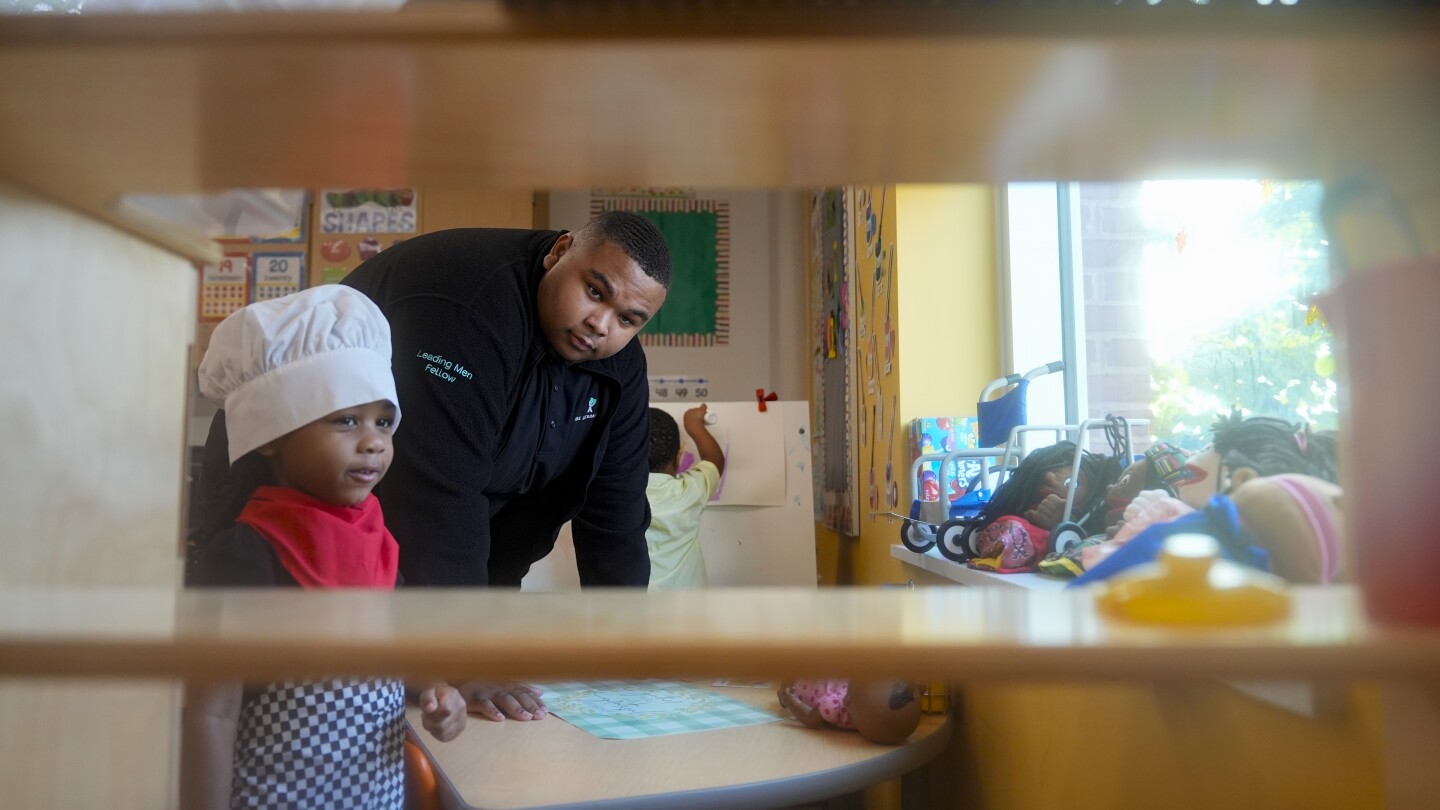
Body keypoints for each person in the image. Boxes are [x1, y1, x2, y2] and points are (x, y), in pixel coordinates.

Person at [191, 210, 671, 721]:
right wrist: (462, 662)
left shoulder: (618, 362)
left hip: (398, 557)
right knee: (265, 694)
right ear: (559, 251)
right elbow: (436, 493)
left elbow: (616, 508)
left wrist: (624, 645)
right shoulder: (468, 304)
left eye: (628, 318)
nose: (602, 325)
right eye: (595, 292)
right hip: (283, 511)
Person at [180, 286, 467, 810]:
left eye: (383, 421)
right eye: (345, 420)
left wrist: (440, 693)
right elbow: (210, 713)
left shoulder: (377, 538)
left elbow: (396, 656)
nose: (374, 441)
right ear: (270, 433)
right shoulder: (248, 553)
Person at [644, 404, 725, 590]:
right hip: (688, 611)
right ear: (678, 458)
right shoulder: (688, 492)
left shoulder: (617, 498)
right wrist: (695, 426)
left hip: (634, 612)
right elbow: (715, 462)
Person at [777, 679, 923, 745]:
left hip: (801, 686)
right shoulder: (866, 708)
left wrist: (790, 701)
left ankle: (782, 696)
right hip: (824, 680)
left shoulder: (834, 705)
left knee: (786, 683)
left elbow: (810, 719)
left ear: (847, 699)